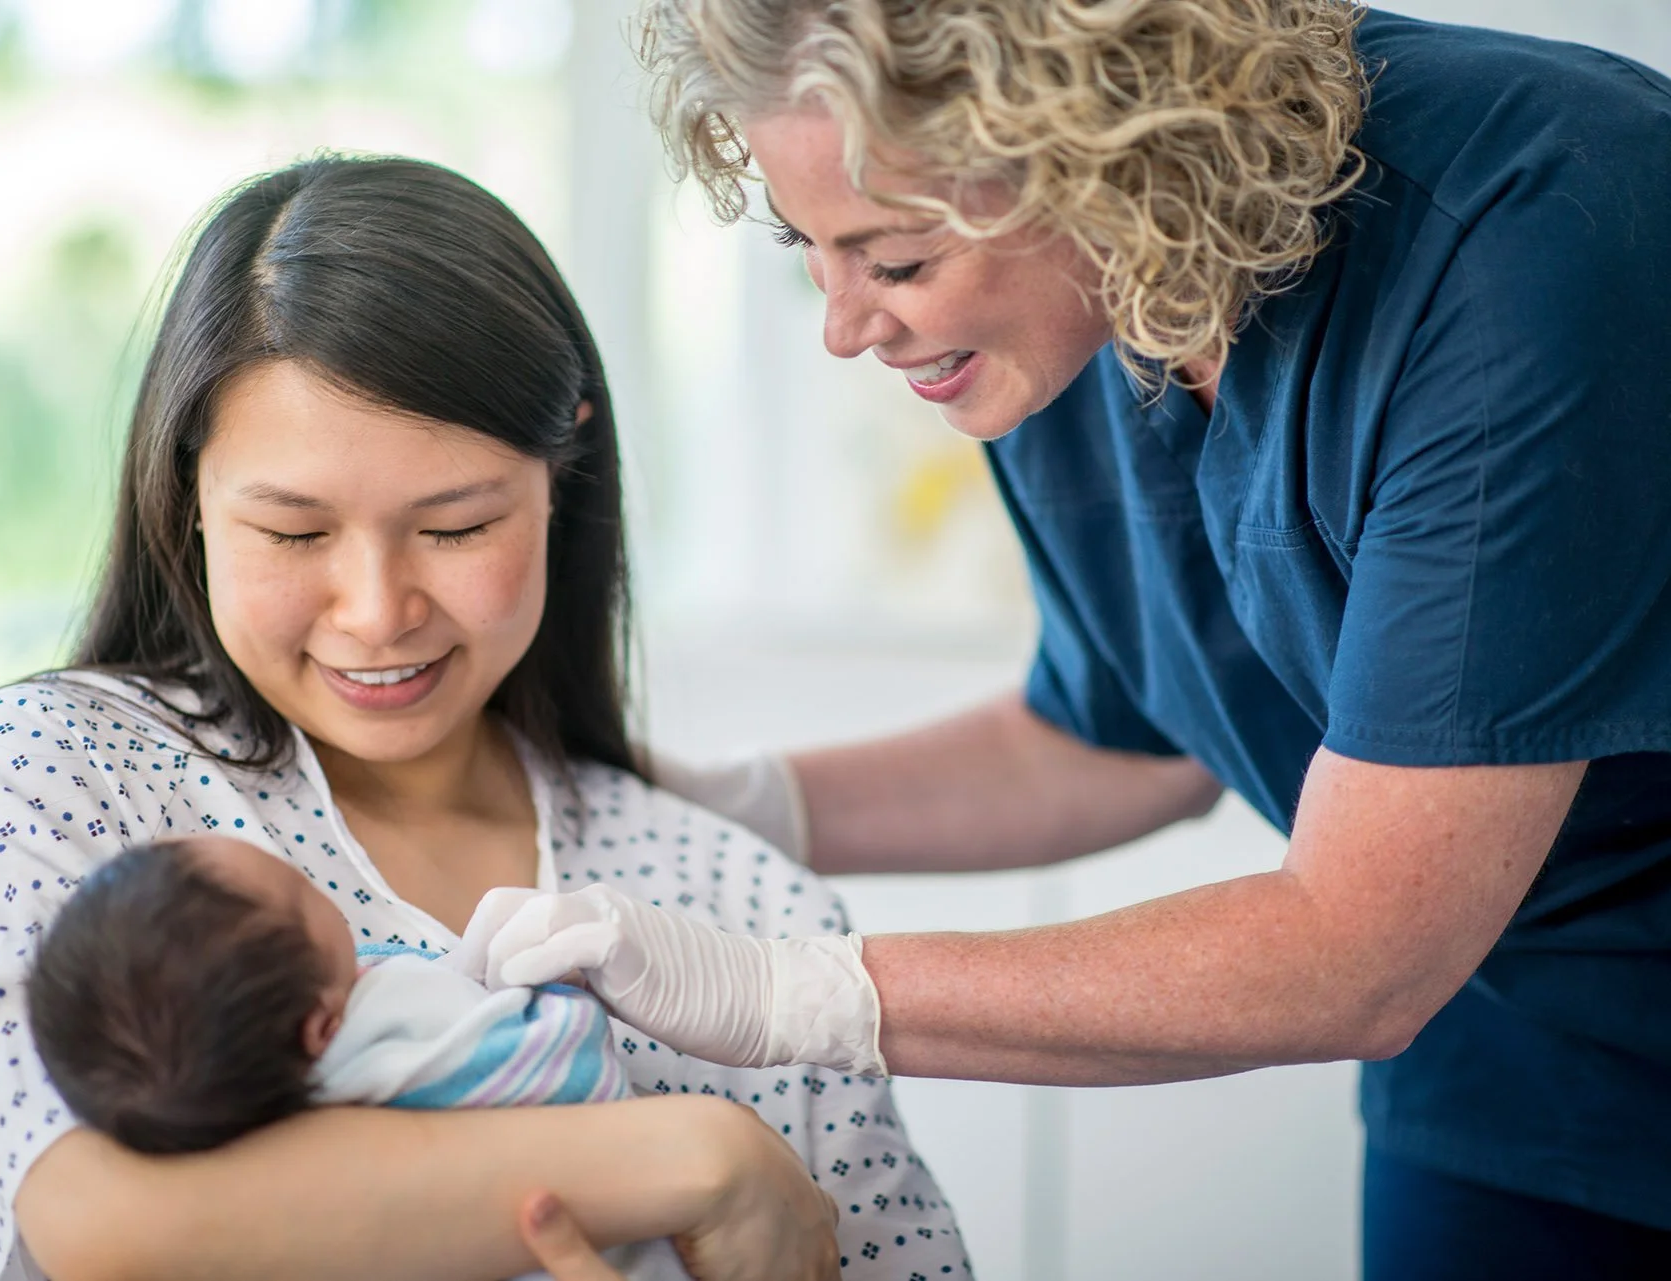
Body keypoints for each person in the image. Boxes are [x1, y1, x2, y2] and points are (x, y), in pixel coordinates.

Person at [460, 3, 1671, 1279]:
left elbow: (1361, 947)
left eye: (899, 259)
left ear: (1105, 153)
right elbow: (1125, 740)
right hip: (1504, 1071)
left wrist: (787, 994)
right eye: (806, 248)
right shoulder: (1064, 318)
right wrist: (701, 807)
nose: (844, 325)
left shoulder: (1526, 241)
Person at [0, 155, 970, 1281]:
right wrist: (702, 1158)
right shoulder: (51, 778)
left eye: (458, 526)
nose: (375, 615)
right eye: (295, 532)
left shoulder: (738, 899)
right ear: (190, 498)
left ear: (560, 477)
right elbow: (101, 1221)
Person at [26, 835, 687, 1280]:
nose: (321, 888)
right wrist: (550, 989)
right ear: (322, 1027)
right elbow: (572, 1068)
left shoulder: (235, 1123)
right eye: (301, 893)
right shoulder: (392, 1012)